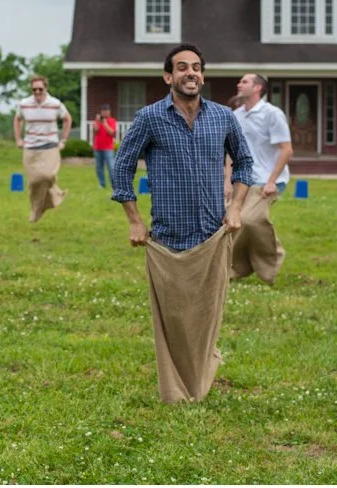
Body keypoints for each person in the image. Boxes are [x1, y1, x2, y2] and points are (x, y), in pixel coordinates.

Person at [111, 43, 253, 403]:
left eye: (196, 68)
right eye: (182, 67)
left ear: (202, 75)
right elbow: (122, 167)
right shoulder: (150, 118)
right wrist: (134, 220)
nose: (191, 73)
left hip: (212, 235)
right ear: (168, 76)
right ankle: (177, 387)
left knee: (207, 314)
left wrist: (236, 207)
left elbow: (246, 164)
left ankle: (201, 373)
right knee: (174, 319)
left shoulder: (223, 117)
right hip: (168, 238)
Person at [228, 73, 292, 283]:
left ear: (257, 88)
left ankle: (272, 258)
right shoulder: (236, 116)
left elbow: (286, 149)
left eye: (244, 81)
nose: (239, 84)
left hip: (267, 179)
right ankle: (235, 269)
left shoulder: (272, 114)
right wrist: (226, 181)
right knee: (234, 222)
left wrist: (272, 181)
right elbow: (230, 152)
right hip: (242, 179)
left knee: (249, 219)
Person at [14, 75, 71, 222]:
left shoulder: (55, 104)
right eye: (34, 89)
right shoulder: (24, 104)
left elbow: (67, 119)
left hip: (50, 146)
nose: (37, 92)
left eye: (40, 89)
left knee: (46, 176)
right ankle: (37, 209)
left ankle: (50, 198)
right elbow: (17, 119)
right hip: (30, 147)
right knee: (34, 182)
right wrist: (19, 139)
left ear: (46, 88)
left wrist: (63, 140)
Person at [92, 104, 117, 189]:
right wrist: (97, 122)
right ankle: (102, 184)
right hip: (98, 147)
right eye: (103, 111)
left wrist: (105, 124)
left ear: (109, 112)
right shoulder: (97, 121)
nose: (105, 112)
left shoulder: (112, 121)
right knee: (99, 167)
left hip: (108, 148)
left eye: (106, 110)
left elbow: (112, 133)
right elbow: (95, 131)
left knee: (111, 167)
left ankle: (114, 185)